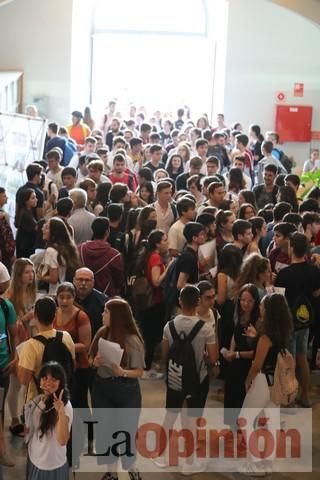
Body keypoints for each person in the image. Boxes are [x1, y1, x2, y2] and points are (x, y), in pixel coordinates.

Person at [157, 285, 217, 474]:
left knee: (170, 416)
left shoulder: (169, 326)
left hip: (175, 376)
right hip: (197, 379)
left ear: (180, 301)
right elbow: (213, 358)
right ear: (198, 302)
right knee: (191, 420)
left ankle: (161, 456)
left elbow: (165, 354)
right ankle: (189, 463)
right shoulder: (206, 328)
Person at [89, 298, 145, 479]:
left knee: (126, 431)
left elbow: (139, 371)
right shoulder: (101, 333)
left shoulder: (133, 340)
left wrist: (122, 372)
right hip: (103, 388)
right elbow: (90, 359)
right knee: (105, 430)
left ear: (116, 316)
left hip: (126, 389)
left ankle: (132, 467)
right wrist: (94, 362)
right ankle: (111, 472)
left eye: (106, 312)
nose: (102, 314)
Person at [238, 294, 293, 475]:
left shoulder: (266, 337)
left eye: (262, 306)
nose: (259, 308)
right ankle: (268, 464)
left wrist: (247, 380)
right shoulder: (282, 333)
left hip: (262, 381)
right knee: (273, 422)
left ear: (268, 311)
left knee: (244, 419)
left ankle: (255, 464)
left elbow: (256, 365)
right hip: (275, 382)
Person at [275, 232, 320, 407]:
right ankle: (305, 395)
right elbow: (316, 294)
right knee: (302, 357)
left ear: (291, 248)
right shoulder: (314, 271)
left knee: (289, 359)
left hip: (288, 322)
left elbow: (279, 299)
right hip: (305, 320)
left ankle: (290, 398)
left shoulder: (284, 274)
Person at [17, 296, 75, 403]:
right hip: (61, 397)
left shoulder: (31, 345)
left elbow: (23, 380)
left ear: (35, 316)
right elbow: (72, 364)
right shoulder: (66, 336)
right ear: (55, 315)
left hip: (38, 400)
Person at [24, 361, 72, 480]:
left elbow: (62, 440)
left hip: (49, 464)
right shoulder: (39, 399)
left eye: (54, 379)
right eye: (45, 378)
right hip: (34, 457)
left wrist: (60, 412)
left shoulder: (65, 406)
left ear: (61, 382)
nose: (48, 383)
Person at [5, 258, 36, 436]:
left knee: (29, 381)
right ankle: (14, 419)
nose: (31, 275)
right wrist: (26, 318)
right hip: (16, 343)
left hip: (30, 340)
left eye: (32, 271)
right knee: (15, 383)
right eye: (26, 272)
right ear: (18, 274)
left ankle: (26, 414)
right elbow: (12, 326)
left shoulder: (31, 292)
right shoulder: (9, 297)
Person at [223, 284, 260, 428]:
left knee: (244, 402)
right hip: (234, 365)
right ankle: (233, 429)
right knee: (232, 397)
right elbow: (235, 334)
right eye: (243, 300)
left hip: (247, 367)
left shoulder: (257, 322)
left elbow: (256, 352)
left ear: (255, 302)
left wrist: (236, 354)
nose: (245, 304)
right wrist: (231, 350)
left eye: (249, 301)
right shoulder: (240, 314)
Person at [139, 230, 172, 379]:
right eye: (165, 240)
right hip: (154, 301)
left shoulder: (147, 255)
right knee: (152, 335)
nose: (167, 243)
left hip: (148, 302)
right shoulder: (155, 258)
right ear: (157, 243)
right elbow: (156, 281)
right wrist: (169, 267)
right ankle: (147, 367)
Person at [54, 282, 91, 408]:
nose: (64, 301)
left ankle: (86, 428)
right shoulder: (53, 313)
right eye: (61, 297)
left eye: (68, 297)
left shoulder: (81, 316)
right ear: (56, 297)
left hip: (79, 367)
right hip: (60, 365)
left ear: (74, 298)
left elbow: (86, 345)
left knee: (79, 403)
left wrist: (63, 346)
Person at [78, 217, 124, 296]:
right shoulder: (114, 255)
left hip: (83, 293)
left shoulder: (80, 249)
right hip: (105, 295)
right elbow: (119, 281)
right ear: (107, 232)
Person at [0, 269, 17, 466]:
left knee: (0, 410)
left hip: (2, 367)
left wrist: (15, 357)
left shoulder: (6, 306)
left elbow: (15, 334)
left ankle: (2, 449)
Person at [37, 217, 79, 295]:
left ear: (54, 232)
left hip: (56, 292)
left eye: (46, 228)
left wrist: (40, 276)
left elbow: (54, 278)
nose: (42, 230)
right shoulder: (69, 248)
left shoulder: (51, 251)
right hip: (68, 290)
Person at [73, 268, 108, 337]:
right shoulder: (66, 298)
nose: (83, 283)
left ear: (93, 282)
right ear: (74, 280)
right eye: (80, 280)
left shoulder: (103, 302)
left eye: (87, 280)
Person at [176, 222, 206, 291]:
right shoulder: (188, 257)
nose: (204, 236)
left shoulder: (191, 253)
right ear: (194, 238)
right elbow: (180, 285)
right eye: (201, 234)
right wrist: (199, 287)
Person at [15, 188, 38, 258]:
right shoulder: (25, 213)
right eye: (33, 198)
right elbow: (36, 228)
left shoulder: (28, 211)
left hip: (25, 243)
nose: (36, 199)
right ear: (26, 201)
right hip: (25, 245)